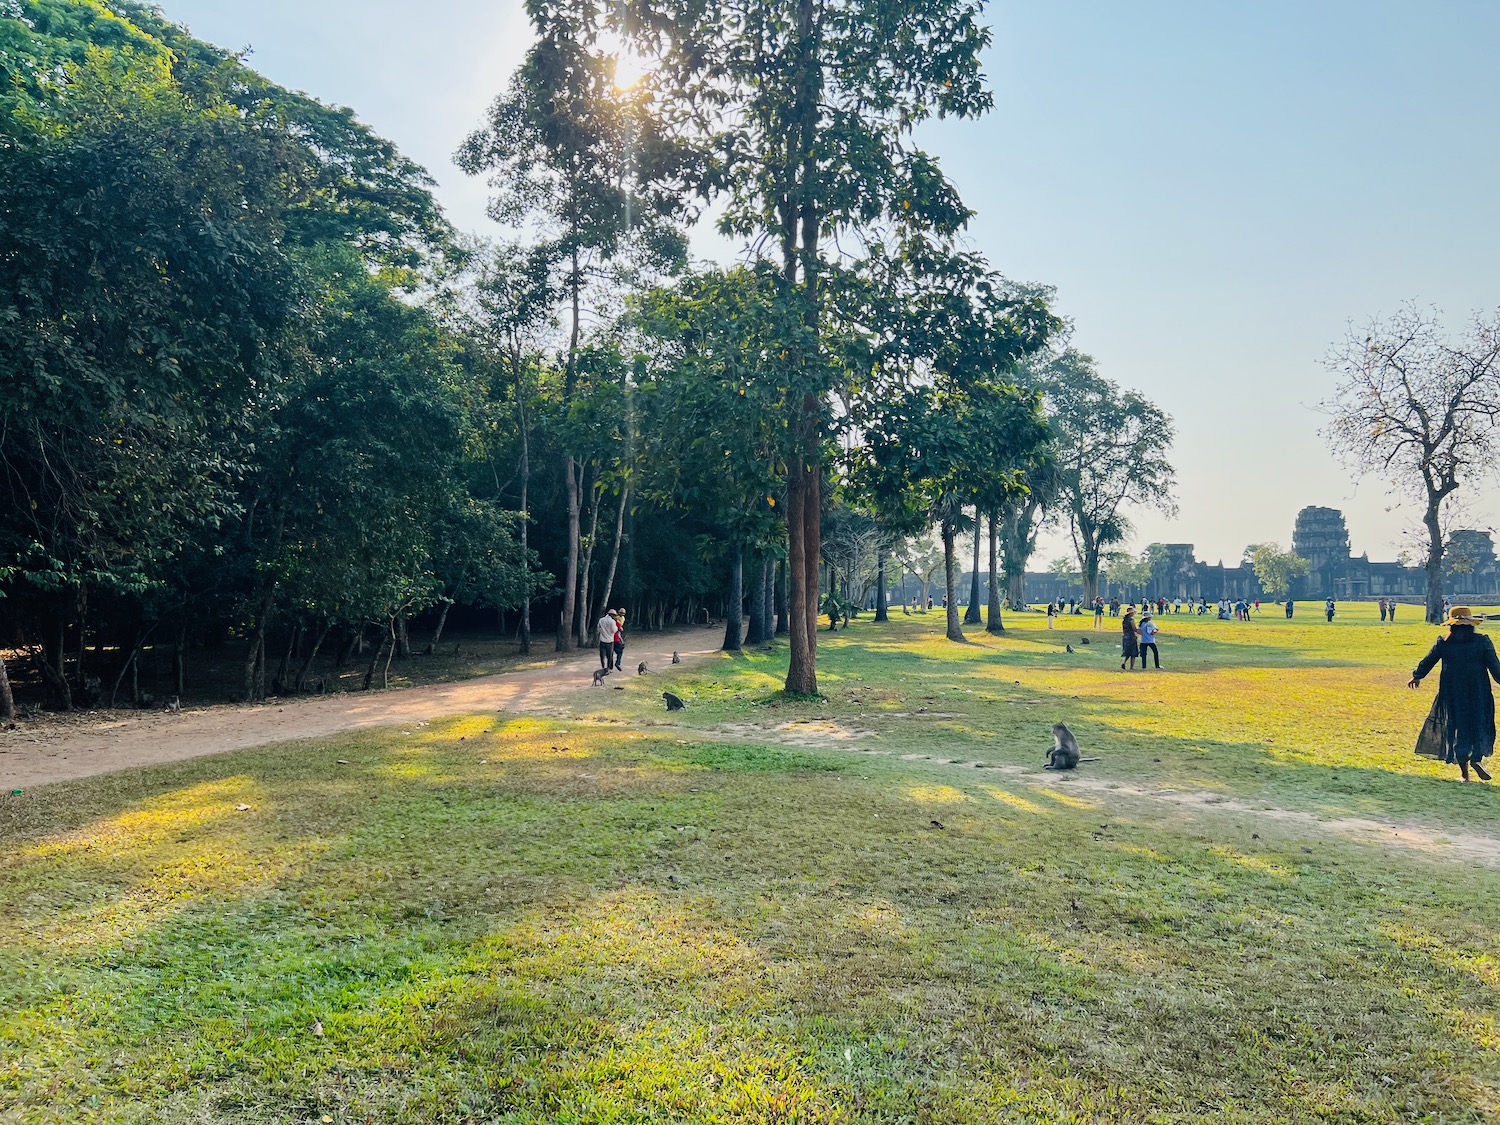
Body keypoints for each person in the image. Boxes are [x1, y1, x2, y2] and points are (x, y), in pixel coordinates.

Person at [1408, 606, 1500, 782]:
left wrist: (1417, 676)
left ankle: (1465, 775)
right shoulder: (1482, 642)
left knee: (1457, 727)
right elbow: (1495, 667)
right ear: (1471, 624)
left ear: (1452, 625)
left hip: (1452, 691)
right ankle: (1476, 759)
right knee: (1479, 722)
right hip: (1478, 691)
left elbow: (1429, 660)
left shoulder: (1444, 642)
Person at [1120, 606, 1140, 671]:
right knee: (1133, 653)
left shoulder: (1124, 620)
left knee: (1127, 652)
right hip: (1131, 637)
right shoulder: (1131, 620)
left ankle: (1124, 662)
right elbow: (1134, 629)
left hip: (1125, 636)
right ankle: (1131, 667)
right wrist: (1139, 631)